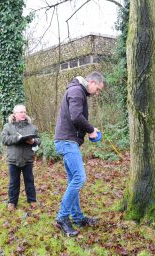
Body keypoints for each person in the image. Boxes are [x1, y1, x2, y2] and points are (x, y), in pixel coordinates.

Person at [54, 71, 105, 237]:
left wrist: (90, 129)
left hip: (67, 141)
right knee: (79, 178)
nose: (97, 93)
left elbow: (76, 117)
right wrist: (91, 130)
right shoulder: (76, 91)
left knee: (72, 180)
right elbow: (76, 116)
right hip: (67, 141)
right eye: (97, 89)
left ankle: (77, 217)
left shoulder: (77, 90)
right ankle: (62, 217)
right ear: (91, 82)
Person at [1, 104, 41, 211]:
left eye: (24, 112)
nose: (23, 114)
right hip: (13, 160)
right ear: (15, 114)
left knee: (29, 181)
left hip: (27, 159)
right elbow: (4, 140)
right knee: (14, 182)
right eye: (21, 112)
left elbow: (39, 140)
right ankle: (12, 202)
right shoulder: (7, 127)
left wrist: (33, 141)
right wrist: (17, 138)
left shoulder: (31, 127)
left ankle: (32, 200)